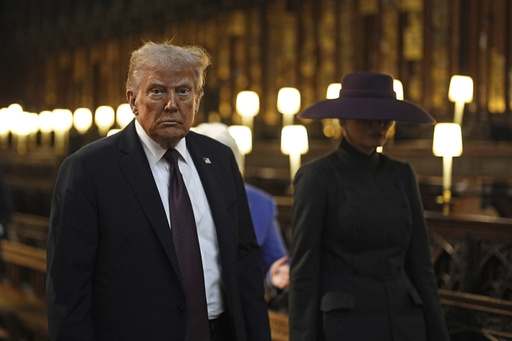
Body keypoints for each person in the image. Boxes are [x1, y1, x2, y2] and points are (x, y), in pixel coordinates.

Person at [46, 41, 271, 341]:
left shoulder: (219, 159)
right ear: (132, 100)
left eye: (183, 91)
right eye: (157, 91)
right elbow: (68, 290)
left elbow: (245, 264)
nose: (171, 103)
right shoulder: (89, 170)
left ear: (198, 100)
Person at [289, 72, 450, 341]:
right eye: (367, 116)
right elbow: (304, 273)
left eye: (386, 116)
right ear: (342, 120)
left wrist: (438, 333)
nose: (380, 124)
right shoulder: (318, 176)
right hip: (347, 327)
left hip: (404, 323)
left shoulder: (401, 174)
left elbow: (420, 265)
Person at [194, 122, 290, 291]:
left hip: (240, 305)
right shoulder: (175, 196)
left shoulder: (260, 202)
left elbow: (277, 263)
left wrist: (273, 276)